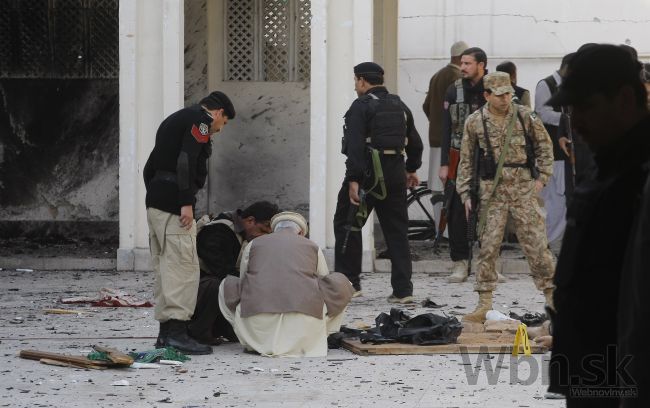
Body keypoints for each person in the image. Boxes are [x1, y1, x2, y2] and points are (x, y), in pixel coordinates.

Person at [547, 44, 650, 407]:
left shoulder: (640, 175)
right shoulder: (609, 166)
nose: (576, 122)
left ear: (624, 98)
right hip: (594, 373)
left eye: (586, 107)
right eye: (570, 110)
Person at [456, 72, 555, 323]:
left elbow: (545, 145)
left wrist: (542, 177)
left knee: (536, 244)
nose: (506, 99)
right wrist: (465, 192)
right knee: (488, 246)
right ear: (487, 95)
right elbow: (466, 159)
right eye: (500, 95)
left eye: (509, 93)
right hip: (491, 191)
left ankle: (552, 297)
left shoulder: (524, 116)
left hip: (523, 187)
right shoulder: (475, 121)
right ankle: (484, 302)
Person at [143, 91, 235, 355]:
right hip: (174, 205)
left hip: (157, 202)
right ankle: (177, 335)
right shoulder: (201, 121)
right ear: (218, 113)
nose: (219, 129)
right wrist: (184, 201)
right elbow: (186, 159)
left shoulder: (174, 119)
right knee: (183, 269)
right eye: (224, 123)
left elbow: (149, 167)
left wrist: (156, 195)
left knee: (165, 268)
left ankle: (165, 335)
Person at [333, 62, 423, 303]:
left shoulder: (361, 106)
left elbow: (354, 147)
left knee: (348, 224)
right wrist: (411, 169)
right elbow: (415, 142)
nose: (355, 86)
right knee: (397, 231)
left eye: (355, 82)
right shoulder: (399, 105)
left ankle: (350, 284)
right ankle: (403, 291)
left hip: (368, 177)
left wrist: (354, 180)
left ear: (362, 81)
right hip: (395, 175)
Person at [219, 212, 354, 357]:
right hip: (304, 324)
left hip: (258, 323)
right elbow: (324, 278)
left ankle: (248, 338)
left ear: (273, 230)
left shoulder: (253, 244)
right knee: (342, 283)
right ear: (301, 232)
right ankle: (323, 333)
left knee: (226, 285)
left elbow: (244, 277)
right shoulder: (312, 246)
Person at [187, 201, 280, 345]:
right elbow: (220, 270)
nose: (263, 237)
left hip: (222, 289)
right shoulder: (218, 231)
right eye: (262, 230)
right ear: (250, 221)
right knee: (216, 285)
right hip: (198, 293)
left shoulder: (244, 234)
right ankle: (198, 331)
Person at [439, 47, 488, 283]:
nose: (463, 67)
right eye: (462, 63)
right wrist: (444, 164)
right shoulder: (453, 90)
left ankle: (487, 262)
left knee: (491, 211)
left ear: (482, 65)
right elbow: (446, 129)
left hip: (488, 159)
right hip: (458, 158)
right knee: (456, 211)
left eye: (468, 63)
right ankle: (460, 263)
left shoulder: (494, 89)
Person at [534, 53, 574, 243]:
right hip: (553, 153)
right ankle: (547, 243)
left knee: (563, 200)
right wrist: (569, 119)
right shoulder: (546, 85)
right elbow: (542, 114)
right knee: (554, 201)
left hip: (567, 153)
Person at [422, 41, 468, 192]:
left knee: (436, 187)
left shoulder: (437, 75)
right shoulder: (457, 77)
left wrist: (436, 123)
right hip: (451, 142)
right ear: (461, 57)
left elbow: (426, 106)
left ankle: (437, 217)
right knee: (450, 187)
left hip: (435, 138)